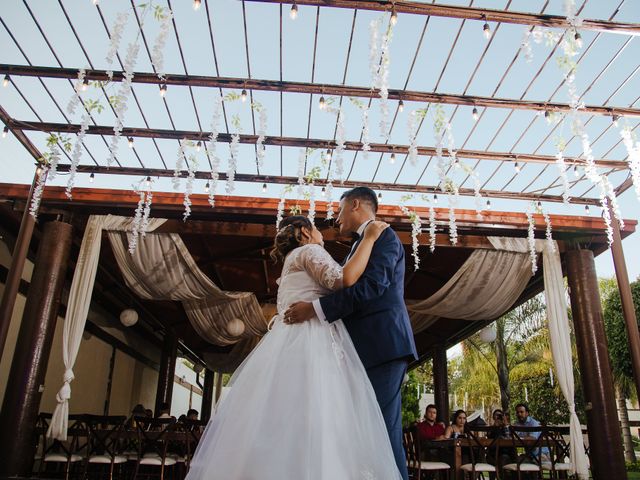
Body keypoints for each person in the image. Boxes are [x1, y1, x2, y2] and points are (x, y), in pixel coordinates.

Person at [186, 213, 402, 479]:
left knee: (290, 416)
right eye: (318, 229)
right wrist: (369, 239)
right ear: (304, 232)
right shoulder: (309, 251)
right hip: (313, 340)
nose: (324, 234)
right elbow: (343, 280)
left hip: (289, 342)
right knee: (320, 413)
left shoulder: (290, 262)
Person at [284, 187, 418, 480]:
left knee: (382, 431)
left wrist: (314, 309)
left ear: (355, 204)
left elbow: (371, 288)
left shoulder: (384, 236)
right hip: (362, 350)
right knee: (364, 431)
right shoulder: (361, 244)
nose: (336, 218)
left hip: (382, 346)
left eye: (339, 208)